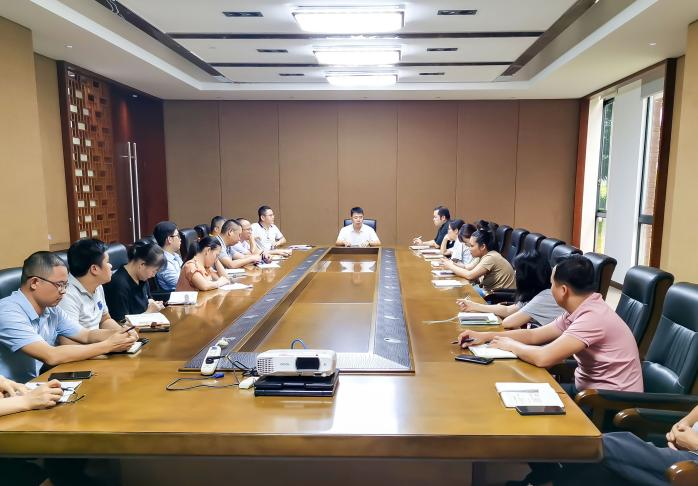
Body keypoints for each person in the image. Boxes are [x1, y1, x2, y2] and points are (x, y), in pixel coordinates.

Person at [457, 254, 643, 395]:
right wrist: (486, 336)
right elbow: (533, 335)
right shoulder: (581, 308)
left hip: (608, 402)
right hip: (588, 391)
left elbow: (544, 357)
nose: (550, 288)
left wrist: (511, 345)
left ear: (563, 290)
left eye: (552, 284)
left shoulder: (593, 317)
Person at [0, 252, 137, 383]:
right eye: (59, 285)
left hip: (37, 383)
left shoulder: (51, 309)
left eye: (65, 285)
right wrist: (109, 345)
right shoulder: (8, 311)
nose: (64, 291)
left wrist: (120, 333)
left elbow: (86, 335)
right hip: (9, 392)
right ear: (34, 282)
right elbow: (51, 355)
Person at [553, 404, 698, 486]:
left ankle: (546, 475)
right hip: (684, 448)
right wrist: (681, 425)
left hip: (692, 461)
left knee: (602, 445)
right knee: (594, 469)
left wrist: (694, 443)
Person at [457, 251, 564, 329]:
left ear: (527, 277)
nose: (515, 273)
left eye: (517, 270)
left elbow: (508, 322)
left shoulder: (545, 296)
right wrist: (473, 306)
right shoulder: (536, 293)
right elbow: (508, 310)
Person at [58, 238, 121, 330]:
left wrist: (123, 333)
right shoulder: (66, 296)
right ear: (94, 269)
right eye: (107, 262)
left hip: (99, 338)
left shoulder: (97, 285)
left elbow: (105, 319)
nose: (111, 266)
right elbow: (71, 337)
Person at [103, 241, 165, 322]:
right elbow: (121, 323)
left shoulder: (142, 277)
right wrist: (149, 313)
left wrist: (153, 304)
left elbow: (148, 298)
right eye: (154, 271)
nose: (153, 275)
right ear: (142, 265)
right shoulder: (118, 285)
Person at [442, 229, 515, 293]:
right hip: (491, 293)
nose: (469, 249)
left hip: (499, 297)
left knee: (460, 291)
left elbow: (470, 275)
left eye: (472, 246)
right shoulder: (483, 255)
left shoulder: (491, 257)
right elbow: (468, 268)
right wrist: (451, 263)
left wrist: (450, 266)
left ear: (482, 246)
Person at [153, 221, 183, 292]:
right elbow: (181, 283)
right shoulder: (163, 261)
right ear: (169, 239)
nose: (180, 239)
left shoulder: (175, 255)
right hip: (175, 295)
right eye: (178, 236)